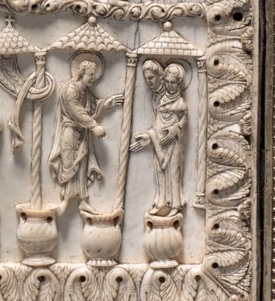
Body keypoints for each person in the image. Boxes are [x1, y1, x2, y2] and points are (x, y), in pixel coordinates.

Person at [48, 54, 122, 214]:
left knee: (81, 165)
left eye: (94, 75)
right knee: (69, 165)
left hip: (82, 133)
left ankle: (82, 200)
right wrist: (94, 126)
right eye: (90, 75)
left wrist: (106, 104)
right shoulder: (70, 90)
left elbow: (94, 105)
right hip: (69, 132)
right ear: (82, 73)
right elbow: (77, 111)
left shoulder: (85, 92)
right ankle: (65, 200)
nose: (93, 78)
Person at [132, 60, 189, 216]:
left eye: (173, 83)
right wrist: (149, 135)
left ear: (179, 84)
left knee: (174, 172)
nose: (170, 86)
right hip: (159, 142)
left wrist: (175, 129)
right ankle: (161, 202)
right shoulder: (162, 100)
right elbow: (157, 123)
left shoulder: (180, 103)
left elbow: (184, 122)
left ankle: (176, 204)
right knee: (160, 172)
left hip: (174, 143)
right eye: (167, 82)